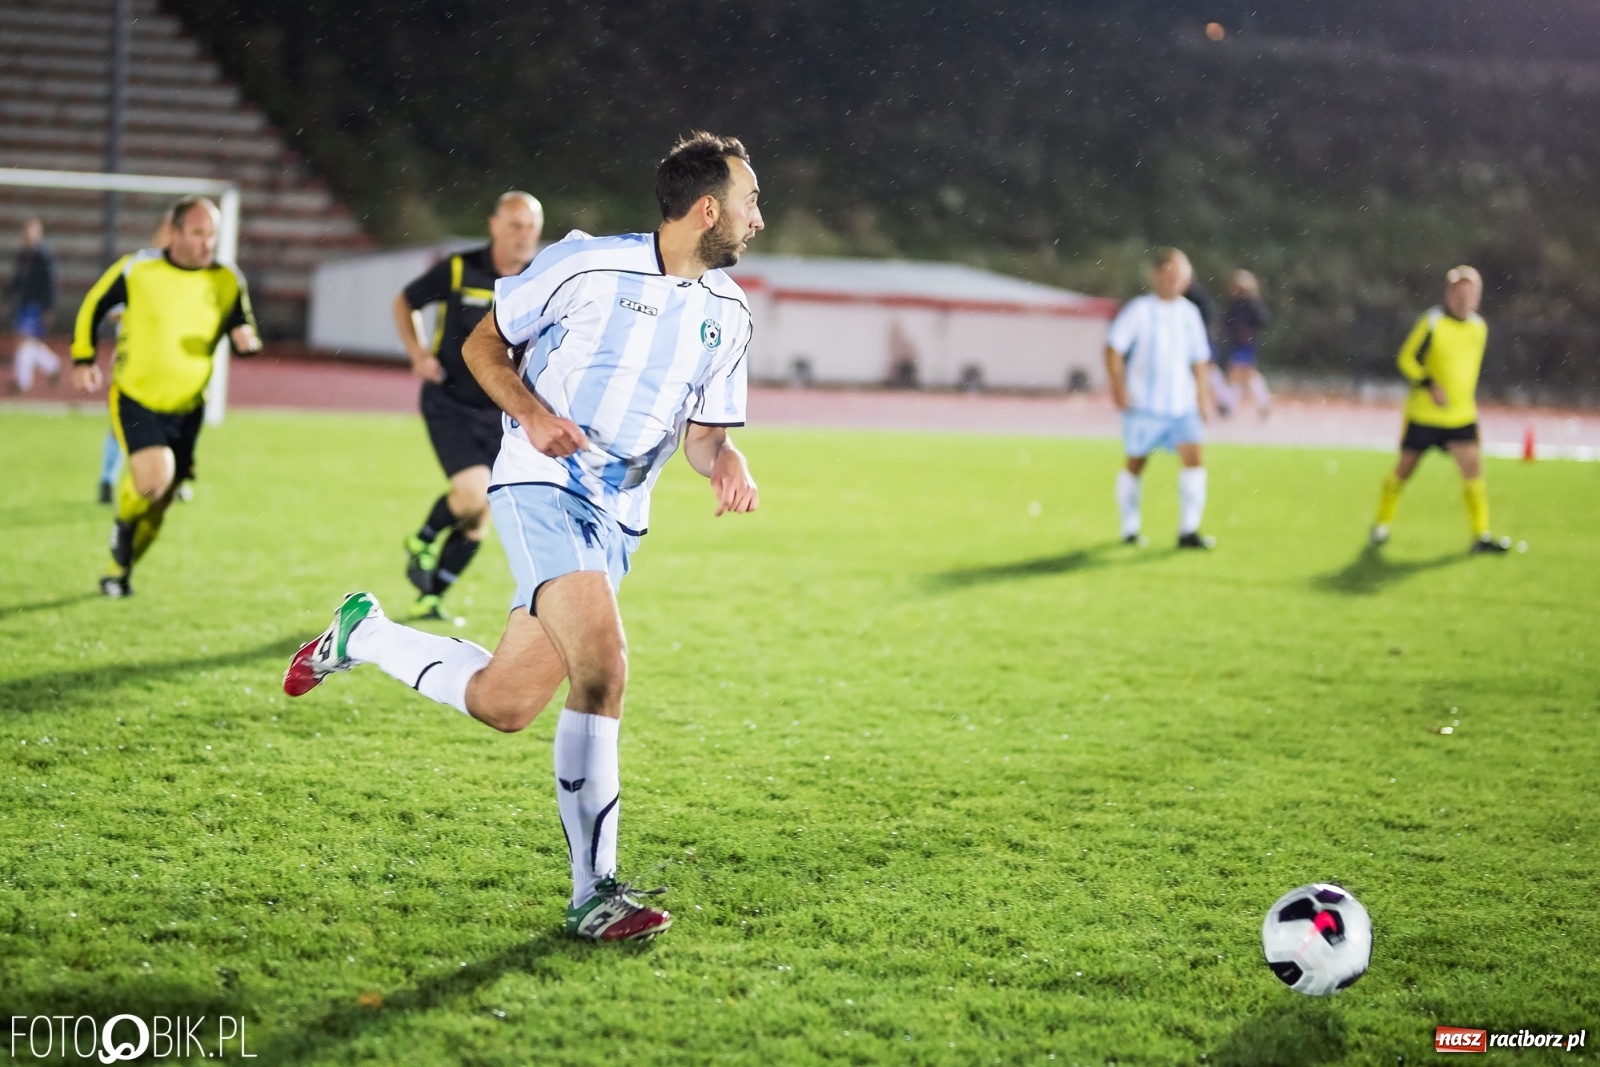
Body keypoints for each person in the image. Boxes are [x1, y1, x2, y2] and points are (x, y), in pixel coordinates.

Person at [284, 132, 764, 942]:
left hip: (620, 517)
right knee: (604, 667)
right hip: (542, 484)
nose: (759, 218)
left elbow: (704, 436)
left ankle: (363, 633)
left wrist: (727, 459)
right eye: (751, 201)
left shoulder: (731, 313)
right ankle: (594, 890)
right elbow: (482, 342)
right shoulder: (583, 263)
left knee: (504, 703)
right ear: (708, 207)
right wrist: (534, 414)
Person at [71, 196, 262, 596]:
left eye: (211, 234)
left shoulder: (228, 279)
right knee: (153, 481)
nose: (206, 242)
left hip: (189, 406)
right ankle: (123, 520)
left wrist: (246, 338)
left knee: (161, 504)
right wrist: (83, 356)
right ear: (174, 233)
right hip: (137, 396)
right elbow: (93, 304)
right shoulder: (138, 269)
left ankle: (118, 568)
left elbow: (242, 323)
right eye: (197, 233)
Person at [393, 192, 544, 620]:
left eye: (531, 227)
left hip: (503, 412)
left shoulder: (540, 280)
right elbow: (405, 302)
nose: (523, 235)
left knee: (480, 517)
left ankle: (431, 597)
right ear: (494, 225)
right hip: (450, 403)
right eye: (514, 225)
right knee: (474, 495)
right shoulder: (461, 268)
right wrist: (418, 353)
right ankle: (422, 539)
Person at [1371, 265, 1511, 553]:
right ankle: (1381, 524)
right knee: (1404, 471)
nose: (1464, 298)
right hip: (1425, 415)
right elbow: (1406, 359)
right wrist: (1428, 383)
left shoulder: (1479, 327)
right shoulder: (1432, 322)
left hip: (1461, 416)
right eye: (1459, 292)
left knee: (1474, 471)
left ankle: (1480, 535)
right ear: (1448, 293)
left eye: (1471, 293)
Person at [1104, 247, 1216, 549]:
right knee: (1136, 463)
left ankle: (1188, 530)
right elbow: (1113, 347)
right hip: (1145, 406)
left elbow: (1200, 360)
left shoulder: (1189, 313)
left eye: (1180, 275)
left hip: (1182, 406)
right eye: (1169, 273)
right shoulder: (1140, 310)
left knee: (1194, 460)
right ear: (1155, 275)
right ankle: (1129, 527)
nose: (1174, 280)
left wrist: (1203, 398)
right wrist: (1118, 387)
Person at [97, 214, 174, 504]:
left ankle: (167, 480)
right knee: (123, 425)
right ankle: (107, 480)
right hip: (133, 363)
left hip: (165, 363)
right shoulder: (137, 266)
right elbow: (111, 308)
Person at [7, 219, 61, 393]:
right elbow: (18, 280)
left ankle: (24, 382)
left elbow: (50, 283)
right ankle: (52, 364)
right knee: (26, 341)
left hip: (36, 305)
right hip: (24, 303)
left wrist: (48, 307)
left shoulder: (43, 256)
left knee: (24, 339)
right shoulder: (24, 255)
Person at [1221, 269, 1272, 417]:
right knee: (1241, 375)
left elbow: (1263, 320)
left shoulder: (1252, 304)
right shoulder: (1235, 304)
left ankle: (1229, 404)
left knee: (1241, 374)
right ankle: (1260, 403)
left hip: (1247, 345)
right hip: (1237, 344)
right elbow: (1227, 322)